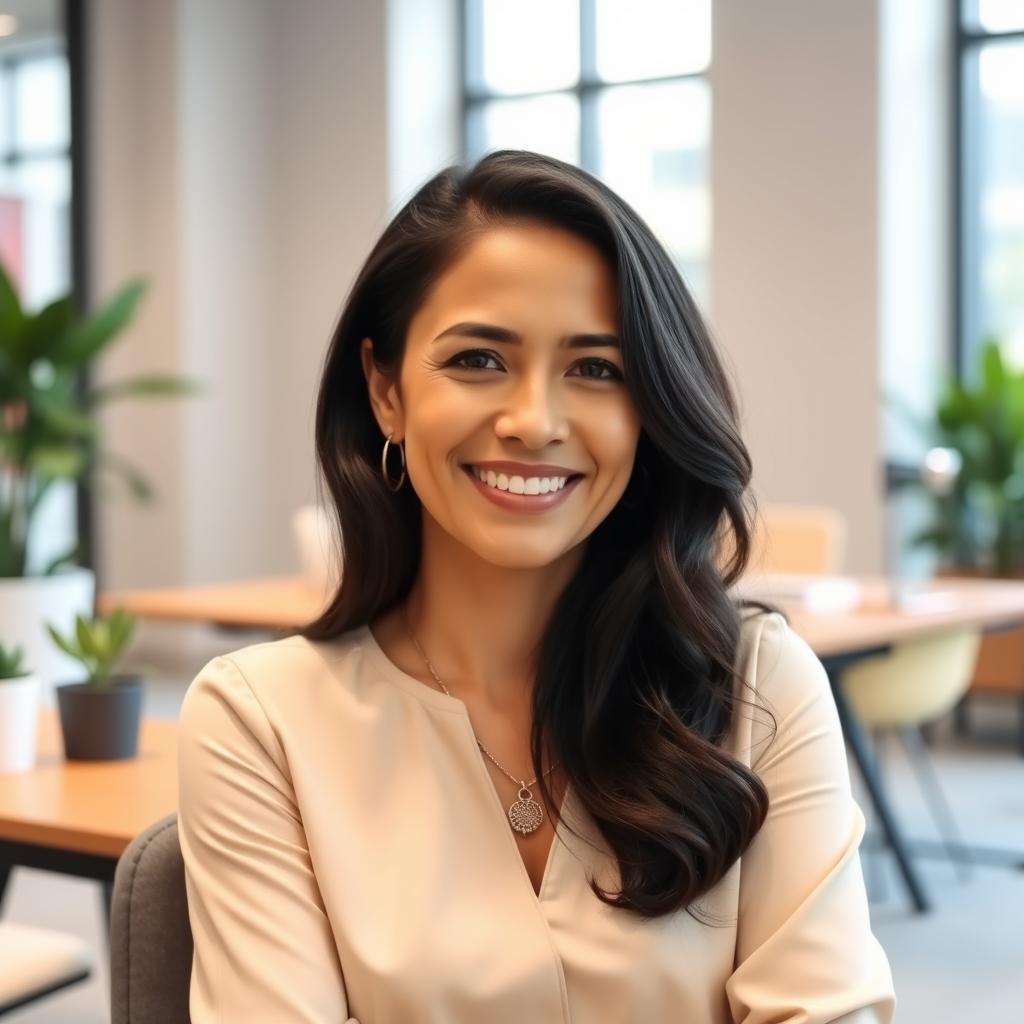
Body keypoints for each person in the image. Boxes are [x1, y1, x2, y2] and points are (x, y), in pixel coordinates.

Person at [177, 149, 896, 1022]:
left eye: (596, 369)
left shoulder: (757, 684)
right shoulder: (261, 722)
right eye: (479, 359)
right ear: (385, 389)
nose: (534, 422)